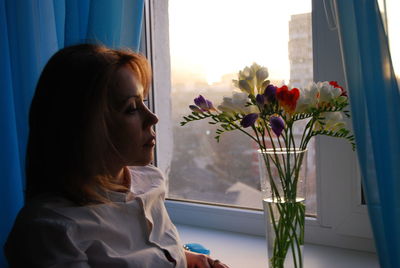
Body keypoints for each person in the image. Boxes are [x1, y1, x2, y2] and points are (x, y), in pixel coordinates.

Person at [4, 44, 229, 268]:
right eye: (131, 108)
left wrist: (186, 258)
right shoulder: (51, 232)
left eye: (144, 102)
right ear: (85, 126)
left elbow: (151, 253)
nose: (152, 118)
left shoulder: (149, 180)